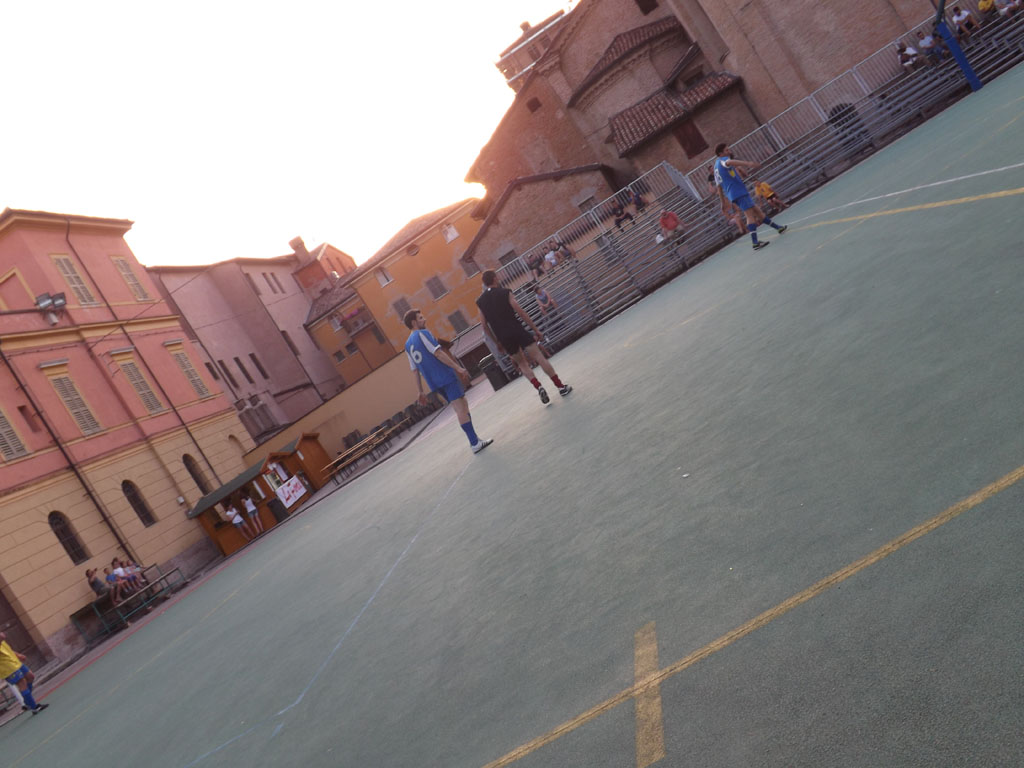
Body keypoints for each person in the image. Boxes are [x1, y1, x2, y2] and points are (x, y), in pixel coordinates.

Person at [476, 270, 572, 405]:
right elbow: (520, 312)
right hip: (517, 329)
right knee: (539, 356)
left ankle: (538, 386)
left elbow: (484, 326)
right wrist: (535, 330)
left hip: (504, 337)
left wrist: (497, 342)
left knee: (522, 364)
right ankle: (561, 387)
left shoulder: (480, 302)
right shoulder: (505, 292)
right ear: (495, 279)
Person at [404, 309, 492, 454]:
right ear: (414, 322)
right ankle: (474, 443)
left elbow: (415, 370)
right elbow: (438, 353)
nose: (424, 319)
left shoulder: (407, 345)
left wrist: (420, 391)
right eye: (420, 318)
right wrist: (458, 368)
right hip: (444, 376)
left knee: (462, 405)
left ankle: (475, 439)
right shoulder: (422, 334)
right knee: (460, 408)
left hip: (434, 383)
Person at [713, 143, 787, 250]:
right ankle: (755, 243)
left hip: (735, 194)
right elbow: (729, 162)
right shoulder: (723, 161)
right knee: (749, 216)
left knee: (758, 212)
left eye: (729, 149)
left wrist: (722, 203)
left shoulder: (716, 167)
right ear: (720, 153)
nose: (729, 151)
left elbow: (719, 187)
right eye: (726, 150)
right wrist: (748, 163)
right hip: (738, 192)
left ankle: (778, 228)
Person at [0, 632, 48, 715]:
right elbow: (2, 636)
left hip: (14, 661)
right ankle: (34, 707)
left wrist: (18, 655)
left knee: (30, 677)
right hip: (8, 667)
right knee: (22, 684)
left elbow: (6, 648)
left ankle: (26, 702)